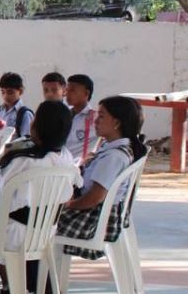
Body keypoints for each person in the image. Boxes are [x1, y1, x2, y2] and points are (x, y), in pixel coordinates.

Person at [0, 101, 75, 294]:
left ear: (38, 126)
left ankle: (8, 286)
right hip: (44, 233)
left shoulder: (24, 160)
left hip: (11, 235)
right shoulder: (66, 157)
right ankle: (16, 286)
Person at [57, 96, 147, 261]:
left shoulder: (114, 156)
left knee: (37, 223)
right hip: (97, 214)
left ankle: (39, 281)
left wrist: (68, 206)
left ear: (117, 123)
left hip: (93, 219)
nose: (95, 121)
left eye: (101, 116)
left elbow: (94, 198)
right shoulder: (114, 147)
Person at [65, 74, 97, 165]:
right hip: (61, 165)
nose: (67, 93)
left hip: (79, 168)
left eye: (72, 90)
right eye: (67, 90)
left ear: (86, 93)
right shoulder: (64, 115)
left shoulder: (95, 118)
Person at [0, 72, 33, 138]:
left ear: (20, 91)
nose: (5, 96)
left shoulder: (25, 114)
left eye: (10, 92)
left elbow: (26, 140)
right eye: (3, 92)